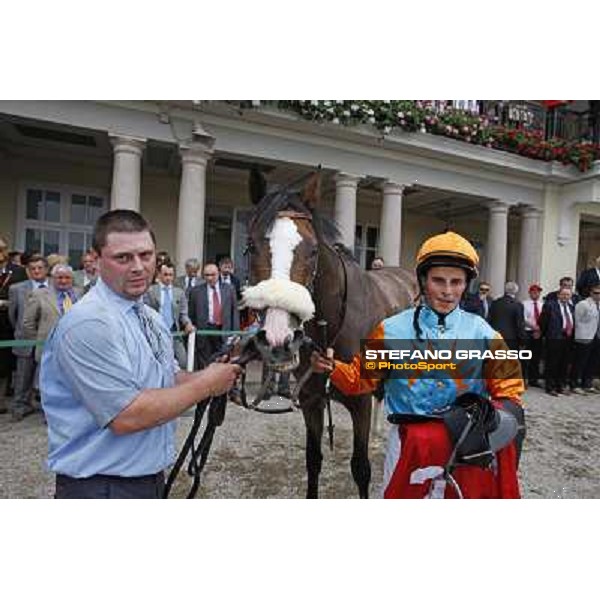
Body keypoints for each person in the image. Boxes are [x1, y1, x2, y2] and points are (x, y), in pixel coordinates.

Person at [39, 210, 241, 499]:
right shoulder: (89, 323)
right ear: (95, 260)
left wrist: (213, 374)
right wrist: (206, 384)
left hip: (145, 480)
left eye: (146, 256)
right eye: (123, 258)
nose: (138, 267)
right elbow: (126, 415)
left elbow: (168, 377)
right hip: (100, 488)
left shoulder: (148, 316)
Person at [312, 231, 525, 499]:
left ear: (466, 284)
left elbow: (509, 390)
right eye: (438, 280)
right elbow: (359, 380)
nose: (448, 291)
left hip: (465, 447)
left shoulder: (484, 333)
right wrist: (333, 367)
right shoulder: (390, 330)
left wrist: (495, 418)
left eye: (456, 282)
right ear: (423, 281)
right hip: (406, 445)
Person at [8, 254, 49, 421]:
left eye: (40, 268)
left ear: (46, 270)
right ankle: (20, 406)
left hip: (47, 340)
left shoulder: (55, 287)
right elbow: (13, 315)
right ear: (28, 271)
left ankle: (47, 409)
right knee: (23, 375)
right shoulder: (17, 289)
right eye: (33, 269)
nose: (37, 271)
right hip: (25, 339)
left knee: (46, 377)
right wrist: (22, 331)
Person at [22, 264, 83, 365]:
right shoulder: (39, 294)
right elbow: (28, 323)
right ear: (52, 278)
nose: (63, 281)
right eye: (60, 277)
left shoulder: (81, 293)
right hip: (48, 351)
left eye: (67, 277)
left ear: (72, 278)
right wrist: (40, 341)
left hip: (75, 350)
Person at [145, 261, 195, 369]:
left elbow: (183, 313)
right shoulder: (151, 291)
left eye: (171, 275)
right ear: (159, 275)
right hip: (156, 333)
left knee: (183, 361)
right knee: (157, 364)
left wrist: (187, 324)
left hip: (174, 333)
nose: (168, 278)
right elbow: (146, 312)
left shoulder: (179, 292)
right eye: (165, 274)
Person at [188, 262, 240, 369]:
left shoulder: (229, 289)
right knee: (205, 364)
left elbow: (234, 312)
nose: (210, 278)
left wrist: (235, 333)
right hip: (204, 332)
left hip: (223, 330)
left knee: (223, 362)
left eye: (213, 275)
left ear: (218, 274)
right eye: (207, 275)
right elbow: (191, 315)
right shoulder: (196, 291)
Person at [0, 235, 27, 413]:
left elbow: (22, 299)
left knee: (4, 364)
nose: (0, 253)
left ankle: (1, 400)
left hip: (6, 325)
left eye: (2, 249)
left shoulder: (18, 271)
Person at [539, 287, 575, 396]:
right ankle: (550, 387)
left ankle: (561, 385)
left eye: (567, 295)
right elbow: (542, 321)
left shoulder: (571, 307)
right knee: (552, 363)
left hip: (567, 338)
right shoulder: (550, 305)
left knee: (564, 364)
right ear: (558, 295)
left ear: (570, 296)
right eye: (563, 294)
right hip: (554, 338)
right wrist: (547, 335)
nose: (565, 297)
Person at [571, 283, 600, 394]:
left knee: (592, 362)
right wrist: (579, 336)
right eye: (596, 293)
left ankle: (587, 383)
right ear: (591, 293)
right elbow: (577, 321)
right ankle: (574, 384)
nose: (598, 295)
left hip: (596, 336)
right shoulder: (583, 304)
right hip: (584, 337)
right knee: (580, 362)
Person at [488, 281, 526, 351]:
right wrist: (523, 341)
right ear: (516, 291)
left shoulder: (495, 303)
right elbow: (519, 324)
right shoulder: (517, 305)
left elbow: (489, 320)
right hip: (511, 340)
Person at [522, 283, 544, 387]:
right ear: (530, 292)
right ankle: (523, 380)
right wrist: (534, 327)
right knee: (526, 357)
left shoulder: (542, 304)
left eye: (538, 292)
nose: (536, 293)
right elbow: (523, 318)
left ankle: (533, 379)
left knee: (536, 357)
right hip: (528, 332)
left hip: (539, 332)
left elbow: (544, 318)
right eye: (534, 291)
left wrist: (539, 329)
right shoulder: (524, 304)